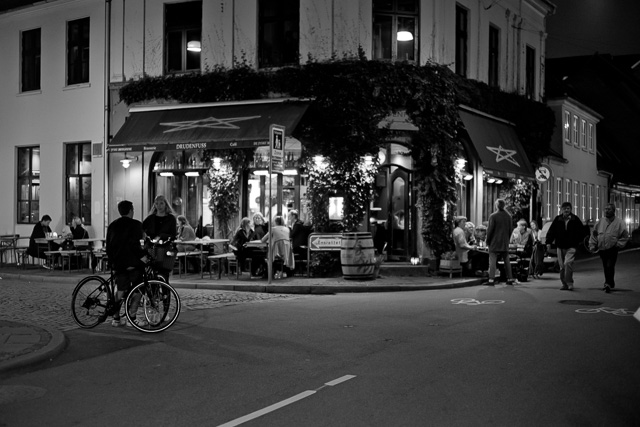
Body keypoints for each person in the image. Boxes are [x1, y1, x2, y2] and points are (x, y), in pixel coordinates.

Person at [106, 200, 149, 328]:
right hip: (132, 263)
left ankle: (116, 318)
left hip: (118, 263)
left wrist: (113, 261)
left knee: (120, 289)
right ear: (131, 210)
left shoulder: (112, 225)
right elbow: (134, 244)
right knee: (138, 288)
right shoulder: (136, 224)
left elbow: (108, 246)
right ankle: (132, 317)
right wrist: (143, 257)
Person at [545, 202, 589, 291]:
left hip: (571, 246)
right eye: (564, 208)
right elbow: (551, 231)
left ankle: (569, 283)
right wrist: (548, 242)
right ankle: (564, 284)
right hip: (560, 246)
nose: (566, 210)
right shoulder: (558, 219)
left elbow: (581, 231)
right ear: (561, 209)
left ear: (571, 209)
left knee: (567, 263)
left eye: (568, 208)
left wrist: (578, 241)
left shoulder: (575, 219)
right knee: (562, 266)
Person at [589, 203, 629, 293]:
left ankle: (607, 283)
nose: (606, 211)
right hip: (602, 248)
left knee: (610, 265)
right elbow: (594, 234)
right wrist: (592, 245)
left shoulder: (619, 223)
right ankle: (610, 282)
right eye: (605, 209)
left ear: (613, 211)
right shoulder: (600, 222)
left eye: (609, 209)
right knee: (605, 266)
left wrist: (618, 244)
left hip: (612, 248)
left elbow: (625, 235)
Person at [143, 195, 178, 282]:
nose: (159, 206)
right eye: (157, 203)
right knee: (152, 271)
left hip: (165, 248)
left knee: (164, 272)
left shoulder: (171, 219)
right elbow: (142, 230)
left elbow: (173, 234)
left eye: (161, 203)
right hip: (152, 248)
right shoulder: (150, 218)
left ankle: (165, 293)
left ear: (166, 205)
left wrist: (164, 236)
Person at [485, 199, 516, 285]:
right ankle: (510, 278)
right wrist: (507, 239)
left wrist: (488, 241)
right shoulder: (508, 216)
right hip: (504, 242)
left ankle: (491, 279)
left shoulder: (493, 216)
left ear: (496, 205)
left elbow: (490, 230)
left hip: (494, 242)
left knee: (492, 260)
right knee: (507, 260)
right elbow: (510, 230)